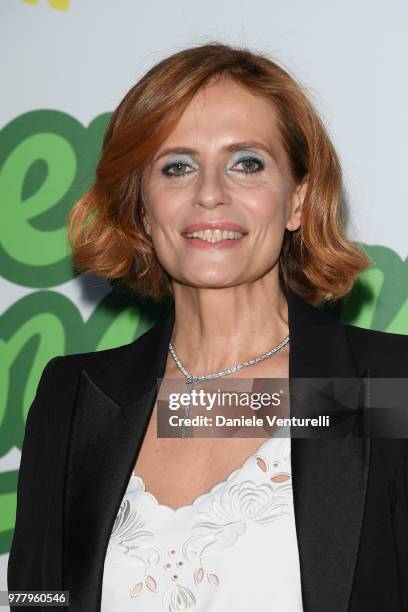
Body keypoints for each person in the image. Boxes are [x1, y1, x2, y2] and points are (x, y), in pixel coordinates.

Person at [7, 42, 408, 612]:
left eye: (247, 163)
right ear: (142, 207)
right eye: (177, 166)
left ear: (296, 199)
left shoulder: (382, 387)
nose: (210, 193)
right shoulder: (74, 397)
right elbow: (35, 597)